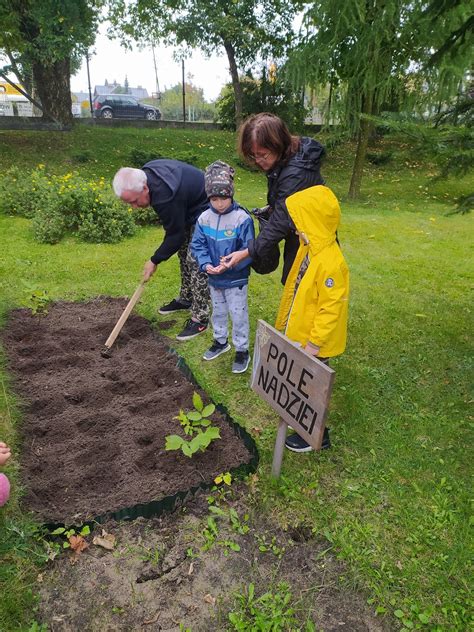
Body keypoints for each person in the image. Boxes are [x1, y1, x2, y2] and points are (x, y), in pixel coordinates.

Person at [273, 185, 349, 452]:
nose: (295, 229)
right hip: (302, 336)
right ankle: (302, 420)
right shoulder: (310, 249)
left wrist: (314, 344)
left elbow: (331, 308)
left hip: (315, 343)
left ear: (315, 223)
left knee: (314, 388)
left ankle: (317, 435)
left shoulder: (330, 262)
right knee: (300, 384)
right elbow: (296, 286)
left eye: (301, 223)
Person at [222, 112, 326, 285]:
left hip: (312, 238)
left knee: (301, 287)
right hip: (299, 234)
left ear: (278, 143)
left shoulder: (296, 171)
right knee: (292, 282)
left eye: (263, 154)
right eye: (253, 155)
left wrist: (247, 251)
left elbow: (281, 219)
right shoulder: (285, 159)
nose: (258, 161)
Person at [113, 160, 210, 341]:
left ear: (145, 189)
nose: (134, 207)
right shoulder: (145, 176)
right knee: (183, 252)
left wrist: (154, 260)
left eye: (134, 201)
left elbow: (175, 235)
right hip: (187, 205)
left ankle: (200, 317)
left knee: (195, 258)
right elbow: (177, 234)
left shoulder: (165, 196)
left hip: (207, 205)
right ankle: (187, 297)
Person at [191, 161, 255, 374]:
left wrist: (230, 265)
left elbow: (249, 249)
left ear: (231, 194)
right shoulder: (204, 218)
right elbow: (198, 244)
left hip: (235, 279)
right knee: (217, 312)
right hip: (214, 278)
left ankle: (242, 349)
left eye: (224, 198)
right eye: (214, 199)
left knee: (238, 314)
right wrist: (206, 264)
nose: (219, 203)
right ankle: (220, 341)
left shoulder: (241, 218)